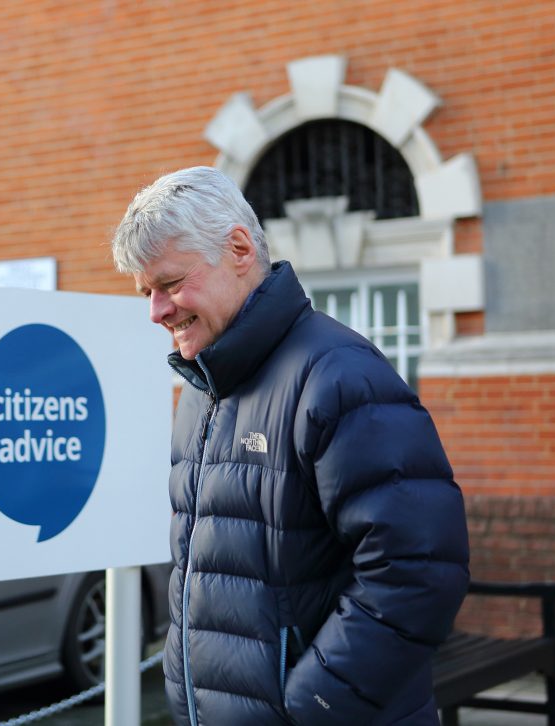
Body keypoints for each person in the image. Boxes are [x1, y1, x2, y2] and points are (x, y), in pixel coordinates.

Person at [111, 166, 470, 725]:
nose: (156, 311)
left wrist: (313, 703)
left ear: (238, 249)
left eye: (171, 284)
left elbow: (418, 571)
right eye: (146, 292)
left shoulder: (339, 376)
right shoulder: (200, 390)